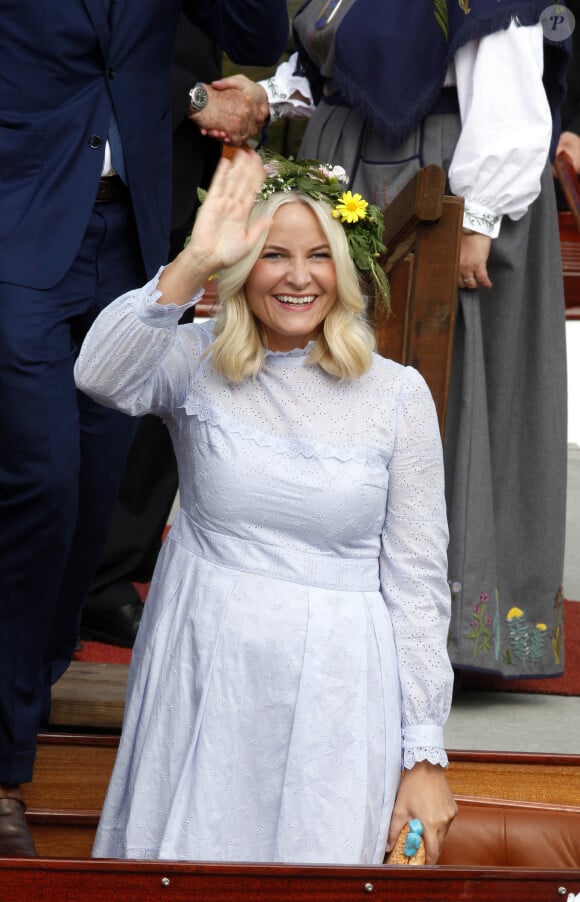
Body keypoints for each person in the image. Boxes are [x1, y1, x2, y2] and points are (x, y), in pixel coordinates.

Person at [75, 148, 457, 864]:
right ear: (243, 265)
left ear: (345, 270)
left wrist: (424, 753)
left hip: (340, 688)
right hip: (203, 666)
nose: (297, 275)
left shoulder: (397, 396)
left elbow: (416, 585)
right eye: (272, 253)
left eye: (318, 255)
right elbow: (98, 374)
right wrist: (192, 263)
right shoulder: (195, 360)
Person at [207, 0, 570, 682]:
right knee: (340, 388)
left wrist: (477, 220)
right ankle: (337, 612)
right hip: (354, 170)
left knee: (441, 395)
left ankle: (447, 637)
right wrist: (267, 94)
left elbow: (510, 95)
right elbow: (330, 68)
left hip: (443, 184)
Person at [0, 0, 288, 857]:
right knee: (40, 481)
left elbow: (260, 37)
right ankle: (7, 759)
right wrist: (196, 96)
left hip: (132, 233)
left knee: (93, 499)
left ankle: (26, 684)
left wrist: (200, 89)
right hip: (20, 219)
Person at [81, 17, 224, 648]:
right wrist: (194, 96)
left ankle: (107, 573)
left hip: (171, 165)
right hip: (73, 165)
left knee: (149, 395)